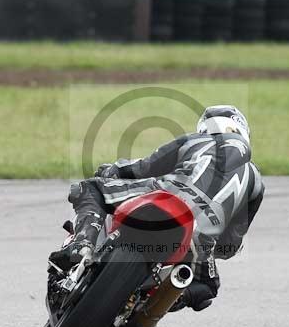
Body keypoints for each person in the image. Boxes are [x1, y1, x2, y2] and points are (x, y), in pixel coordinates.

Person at [50, 105, 264, 312]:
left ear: (206, 127)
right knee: (207, 288)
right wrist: (211, 245)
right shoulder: (257, 182)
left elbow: (143, 167)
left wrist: (111, 170)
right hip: (199, 239)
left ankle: (82, 246)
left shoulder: (195, 140)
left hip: (165, 196)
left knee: (88, 189)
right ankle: (157, 305)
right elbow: (232, 243)